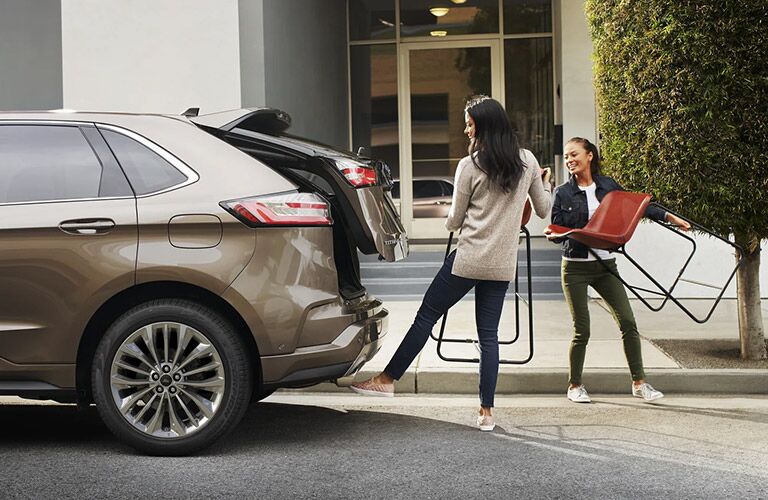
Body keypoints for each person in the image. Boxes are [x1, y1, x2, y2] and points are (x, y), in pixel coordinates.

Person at [350, 96, 552, 431]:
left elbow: (454, 220)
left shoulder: (470, 165)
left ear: (483, 125)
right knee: (489, 335)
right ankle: (486, 412)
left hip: (468, 259)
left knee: (426, 316)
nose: (466, 129)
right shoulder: (528, 161)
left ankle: (387, 379)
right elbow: (543, 210)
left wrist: (454, 219)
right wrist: (541, 182)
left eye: (470, 123)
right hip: (502, 264)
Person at [546, 137, 690, 403]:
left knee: (628, 322)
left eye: (574, 154)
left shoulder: (608, 186)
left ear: (590, 155)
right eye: (566, 156)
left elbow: (638, 207)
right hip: (575, 268)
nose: (569, 160)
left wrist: (670, 218)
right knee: (582, 330)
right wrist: (555, 235)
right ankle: (574, 385)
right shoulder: (563, 193)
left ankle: (639, 383)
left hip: (605, 266)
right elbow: (557, 227)